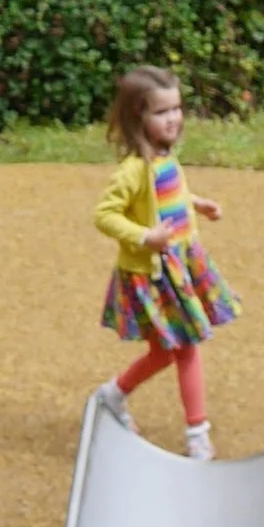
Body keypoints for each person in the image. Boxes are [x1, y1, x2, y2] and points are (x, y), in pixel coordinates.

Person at [93, 63, 235, 461]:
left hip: (181, 265)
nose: (173, 119)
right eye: (161, 112)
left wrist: (195, 204)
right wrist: (143, 237)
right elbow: (105, 215)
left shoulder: (165, 157)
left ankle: (112, 395)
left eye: (176, 109)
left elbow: (169, 193)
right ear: (138, 116)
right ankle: (197, 434)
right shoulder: (132, 170)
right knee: (185, 346)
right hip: (154, 275)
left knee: (166, 351)